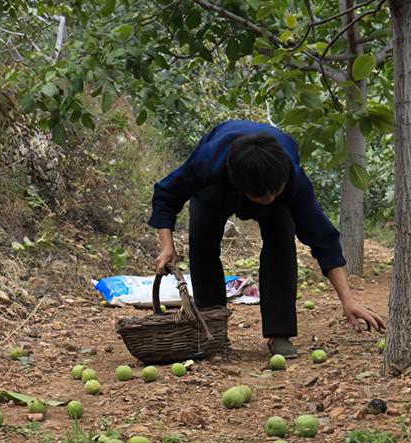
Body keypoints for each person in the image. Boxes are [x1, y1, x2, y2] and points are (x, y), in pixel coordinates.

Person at [149, 119, 385, 357]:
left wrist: (348, 300)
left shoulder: (291, 178)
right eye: (262, 196)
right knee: (202, 245)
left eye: (275, 191)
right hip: (215, 190)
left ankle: (279, 334)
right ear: (241, 187)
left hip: (274, 182)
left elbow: (323, 238)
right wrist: (167, 246)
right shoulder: (208, 162)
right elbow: (166, 195)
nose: (270, 198)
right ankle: (213, 328)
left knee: (281, 242)